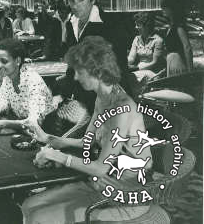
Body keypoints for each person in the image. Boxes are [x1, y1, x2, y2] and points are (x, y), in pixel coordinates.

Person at [20, 36, 152, 223]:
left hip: (125, 196)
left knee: (39, 217)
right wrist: (50, 139)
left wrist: (57, 156)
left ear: (97, 72)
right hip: (99, 184)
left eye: (79, 72)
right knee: (29, 205)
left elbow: (100, 168)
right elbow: (87, 142)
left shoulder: (121, 108)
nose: (75, 77)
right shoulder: (102, 98)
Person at [54, 0, 130, 113]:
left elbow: (118, 69)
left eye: (81, 0)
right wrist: (64, 95)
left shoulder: (112, 25)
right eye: (71, 1)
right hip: (81, 98)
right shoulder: (71, 24)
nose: (75, 6)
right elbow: (72, 67)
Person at [0, 39, 53, 136]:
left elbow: (34, 122)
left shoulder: (33, 80)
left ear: (17, 61)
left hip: (48, 132)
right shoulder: (8, 77)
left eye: (4, 61)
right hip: (25, 129)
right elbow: (4, 101)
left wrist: (4, 123)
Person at [127, 12, 165, 82]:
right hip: (139, 71)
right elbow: (131, 58)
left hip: (153, 72)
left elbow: (155, 63)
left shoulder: (158, 40)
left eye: (138, 25)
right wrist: (123, 64)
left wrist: (136, 68)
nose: (136, 27)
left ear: (146, 26)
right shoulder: (136, 39)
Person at [161, 0, 193, 75]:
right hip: (171, 61)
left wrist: (190, 71)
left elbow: (187, 47)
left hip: (177, 61)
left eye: (165, 7)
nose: (162, 10)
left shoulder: (179, 26)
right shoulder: (170, 26)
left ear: (172, 9)